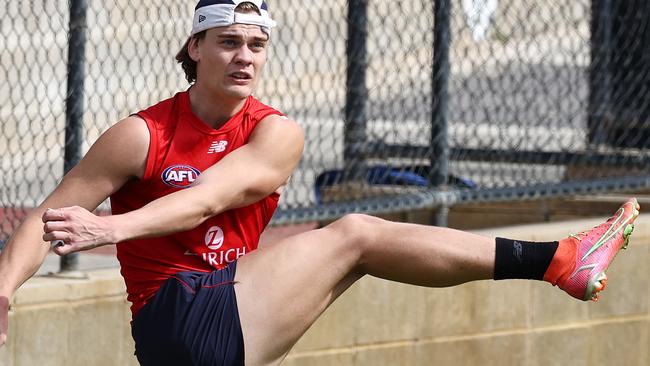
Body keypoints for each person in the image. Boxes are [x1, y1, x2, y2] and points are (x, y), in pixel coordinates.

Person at [0, 1, 641, 365]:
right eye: (227, 42)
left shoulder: (275, 133)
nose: (244, 57)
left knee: (361, 243)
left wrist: (113, 227)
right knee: (356, 234)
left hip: (232, 309)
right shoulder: (140, 134)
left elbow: (212, 196)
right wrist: (4, 289)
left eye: (256, 44)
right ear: (194, 48)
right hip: (176, 317)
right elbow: (43, 218)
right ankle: (558, 259)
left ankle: (560, 262)